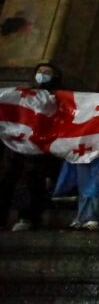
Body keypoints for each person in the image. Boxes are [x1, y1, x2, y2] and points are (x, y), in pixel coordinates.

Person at [0, 62, 64, 231]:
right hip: (14, 144)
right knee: (5, 181)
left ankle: (27, 218)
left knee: (33, 181)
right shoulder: (20, 93)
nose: (42, 74)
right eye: (40, 71)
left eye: (47, 72)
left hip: (38, 148)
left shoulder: (60, 97)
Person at [54, 79, 99, 231]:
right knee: (84, 186)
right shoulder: (87, 107)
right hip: (84, 151)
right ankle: (81, 218)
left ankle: (93, 217)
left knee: (97, 186)